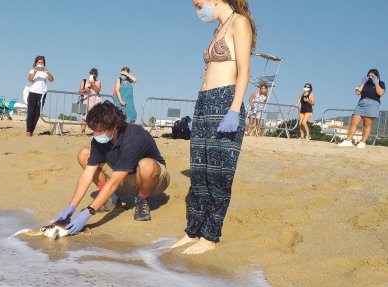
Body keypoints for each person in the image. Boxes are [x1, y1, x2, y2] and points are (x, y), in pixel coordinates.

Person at [171, 0, 255, 255]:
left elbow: (244, 71)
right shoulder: (218, 29)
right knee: (200, 172)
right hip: (204, 102)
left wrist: (234, 108)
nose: (198, 9)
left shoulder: (239, 22)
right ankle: (193, 230)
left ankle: (210, 236)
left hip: (226, 100)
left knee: (219, 173)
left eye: (198, 4)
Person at [50, 101, 170, 235]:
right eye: (94, 130)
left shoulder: (134, 136)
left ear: (115, 126)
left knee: (146, 165)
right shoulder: (98, 140)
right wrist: (71, 207)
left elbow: (114, 182)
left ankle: (142, 199)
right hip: (125, 177)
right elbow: (87, 176)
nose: (96, 135)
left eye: (100, 131)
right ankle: (111, 199)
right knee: (84, 154)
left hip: (154, 180)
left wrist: (89, 212)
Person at [339, 69, 385, 148]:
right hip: (361, 103)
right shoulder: (365, 83)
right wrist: (363, 83)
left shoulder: (381, 83)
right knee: (353, 123)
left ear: (377, 76)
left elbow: (380, 93)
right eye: (369, 75)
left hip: (372, 103)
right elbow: (357, 92)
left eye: (372, 76)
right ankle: (348, 140)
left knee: (367, 124)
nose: (370, 77)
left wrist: (376, 83)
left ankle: (362, 142)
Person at [26, 56, 54, 136]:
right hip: (33, 93)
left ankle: (32, 131)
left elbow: (51, 80)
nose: (40, 64)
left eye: (42, 63)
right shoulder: (32, 70)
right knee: (30, 112)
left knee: (37, 113)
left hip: (42, 94)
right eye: (39, 62)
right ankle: (28, 131)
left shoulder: (45, 72)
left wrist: (48, 73)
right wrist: (35, 72)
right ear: (36, 63)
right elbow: (29, 79)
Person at [79, 68, 102, 135]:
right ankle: (83, 132)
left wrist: (93, 84)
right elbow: (80, 91)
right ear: (90, 74)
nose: (93, 75)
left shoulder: (98, 81)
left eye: (95, 74)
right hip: (86, 100)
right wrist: (85, 90)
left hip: (96, 101)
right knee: (84, 117)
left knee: (96, 117)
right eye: (92, 73)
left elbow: (98, 90)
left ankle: (96, 131)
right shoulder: (84, 81)